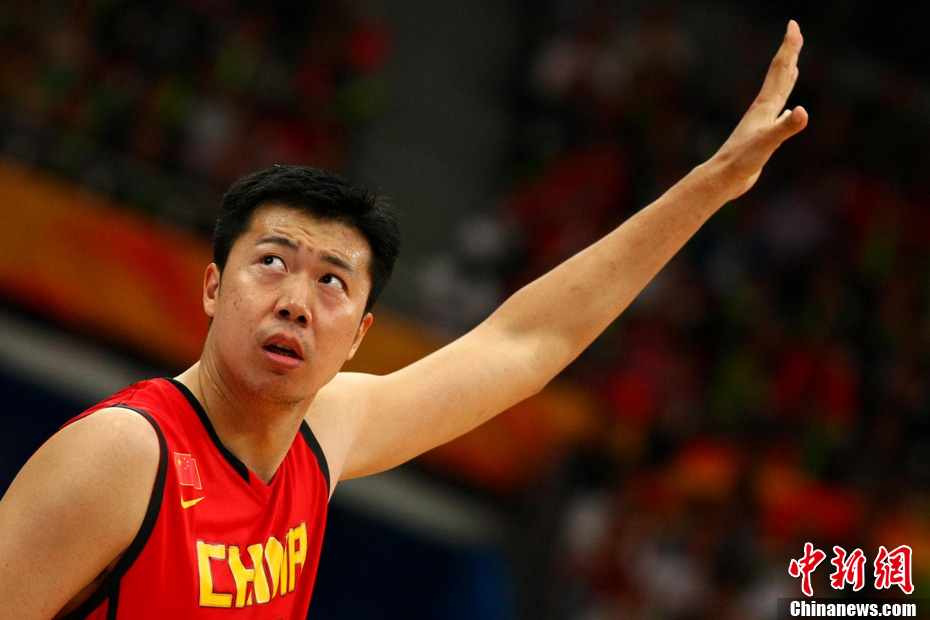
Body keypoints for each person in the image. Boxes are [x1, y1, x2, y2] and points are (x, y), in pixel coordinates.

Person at [0, 20, 808, 620]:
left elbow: (528, 342)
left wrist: (708, 188)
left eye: (331, 281)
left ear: (358, 336)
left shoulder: (322, 435)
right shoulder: (123, 456)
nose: (295, 300)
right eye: (271, 262)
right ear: (213, 287)